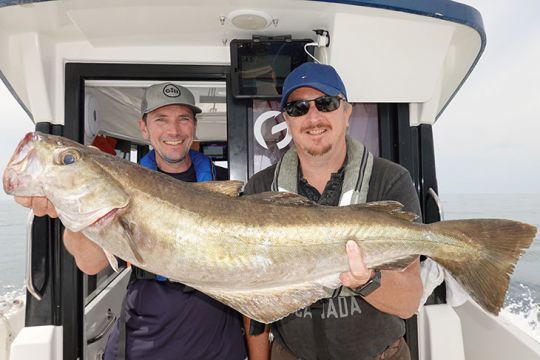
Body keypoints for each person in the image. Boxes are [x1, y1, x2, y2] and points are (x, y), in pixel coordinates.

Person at [15, 83, 247, 360]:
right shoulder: (117, 184)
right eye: (161, 119)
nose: (173, 131)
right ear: (144, 128)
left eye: (183, 119)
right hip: (143, 344)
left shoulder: (228, 185)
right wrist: (69, 209)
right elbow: (90, 263)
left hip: (218, 345)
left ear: (194, 126)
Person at [242, 63, 423, 360]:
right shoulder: (260, 189)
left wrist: (369, 280)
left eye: (326, 103)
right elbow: (253, 299)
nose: (313, 117)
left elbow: (409, 301)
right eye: (299, 108)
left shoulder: (390, 180)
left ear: (346, 112)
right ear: (286, 119)